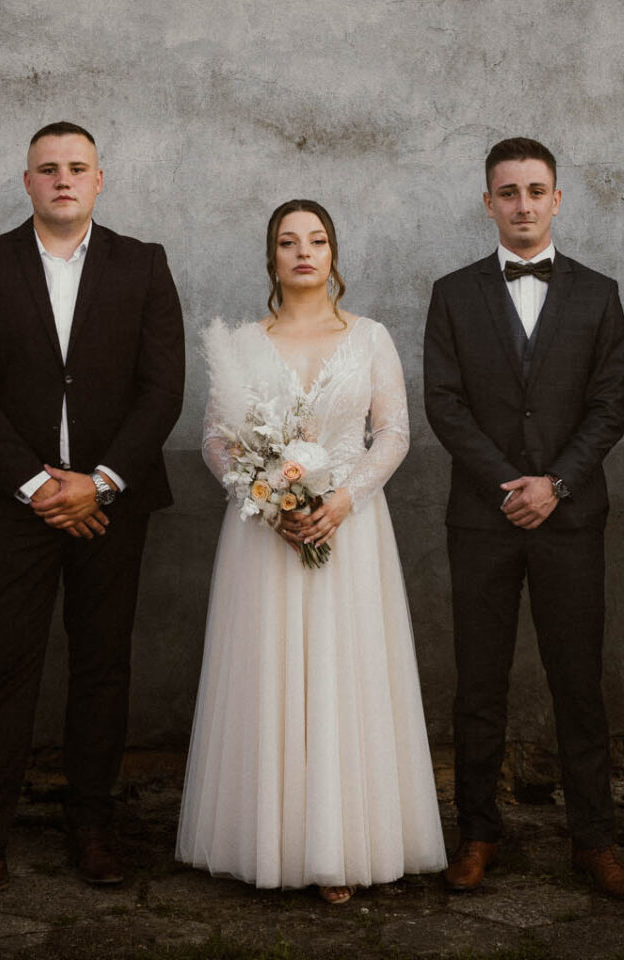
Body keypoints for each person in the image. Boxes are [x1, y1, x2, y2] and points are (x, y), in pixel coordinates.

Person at [0, 122, 184, 903]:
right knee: (3, 671)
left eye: (77, 167)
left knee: (102, 667)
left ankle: (93, 828)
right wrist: (39, 486)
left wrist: (101, 483)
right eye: (47, 168)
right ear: (27, 182)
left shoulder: (142, 264)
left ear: (99, 180)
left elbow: (163, 388)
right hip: (12, 505)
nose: (62, 179)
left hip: (112, 506)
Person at [177, 199, 445, 904]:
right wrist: (263, 496)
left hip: (348, 529)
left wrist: (344, 499)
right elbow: (214, 438)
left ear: (333, 254)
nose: (303, 252)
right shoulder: (242, 342)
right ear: (271, 257)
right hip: (264, 534)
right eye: (288, 241)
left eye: (317, 240)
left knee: (344, 674)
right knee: (266, 674)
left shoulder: (370, 337)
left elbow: (394, 432)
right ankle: (269, 843)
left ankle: (341, 848)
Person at [422, 137, 624, 900]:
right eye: (508, 192)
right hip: (481, 521)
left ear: (557, 199)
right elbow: (444, 403)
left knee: (578, 685)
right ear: (488, 203)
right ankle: (477, 833)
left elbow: (611, 403)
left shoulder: (598, 293)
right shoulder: (453, 294)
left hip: (570, 520)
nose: (522, 205)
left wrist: (557, 484)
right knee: (479, 686)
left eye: (535, 191)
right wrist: (506, 484)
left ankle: (595, 841)